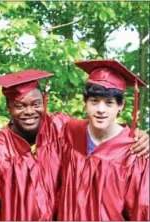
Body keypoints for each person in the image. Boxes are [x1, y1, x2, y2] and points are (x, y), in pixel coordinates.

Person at [0, 69, 149, 220]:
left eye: (36, 104)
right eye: (19, 106)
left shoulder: (59, 129)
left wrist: (139, 136)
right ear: (8, 107)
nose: (29, 112)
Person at [57, 59, 149, 221]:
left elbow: (141, 210)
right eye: (94, 101)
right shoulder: (68, 132)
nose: (101, 110)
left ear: (120, 106)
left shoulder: (135, 151)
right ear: (85, 102)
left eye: (109, 103)